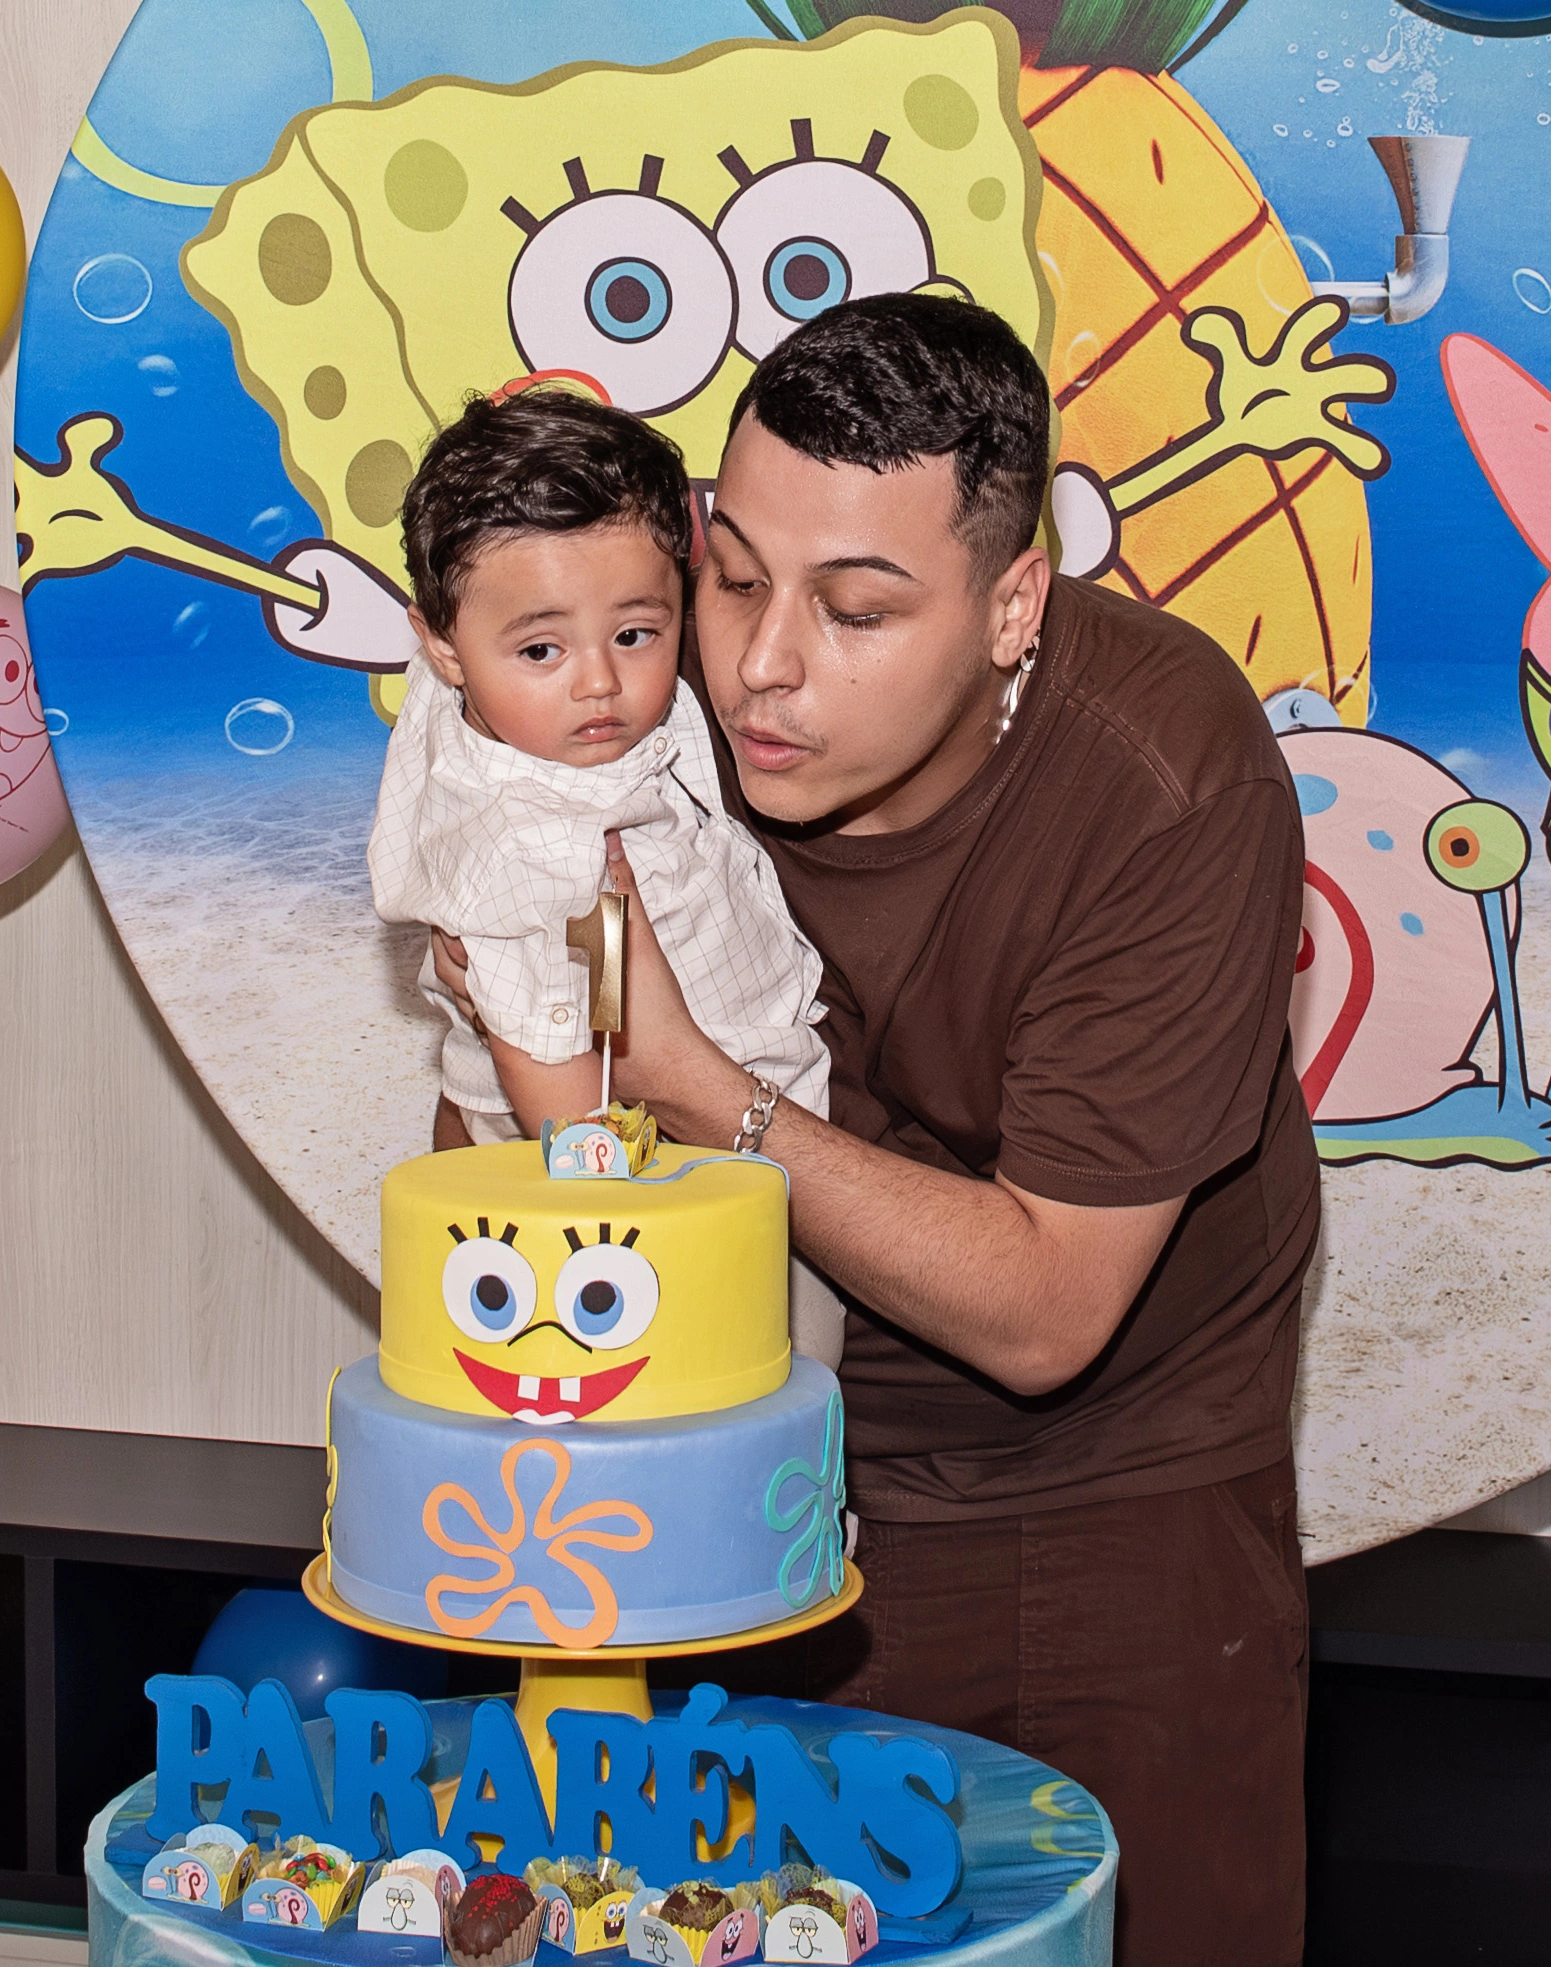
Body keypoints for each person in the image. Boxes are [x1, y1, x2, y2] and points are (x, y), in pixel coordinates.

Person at [438, 294, 1319, 1967]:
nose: (760, 664)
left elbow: (1050, 1310)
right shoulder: (635, 691)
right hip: (736, 1460)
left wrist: (697, 1086)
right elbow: (518, 1179)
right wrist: (518, 1041)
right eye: (736, 573)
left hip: (1109, 1475)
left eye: (855, 609)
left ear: (1011, 607)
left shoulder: (1164, 776)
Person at [366, 389, 843, 1360]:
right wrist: (630, 1236)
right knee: (757, 1385)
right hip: (645, 1190)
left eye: (635, 633)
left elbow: (607, 974)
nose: (597, 682)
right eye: (540, 649)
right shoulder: (523, 847)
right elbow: (558, 1088)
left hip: (733, 1115)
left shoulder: (532, 721)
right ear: (441, 646)